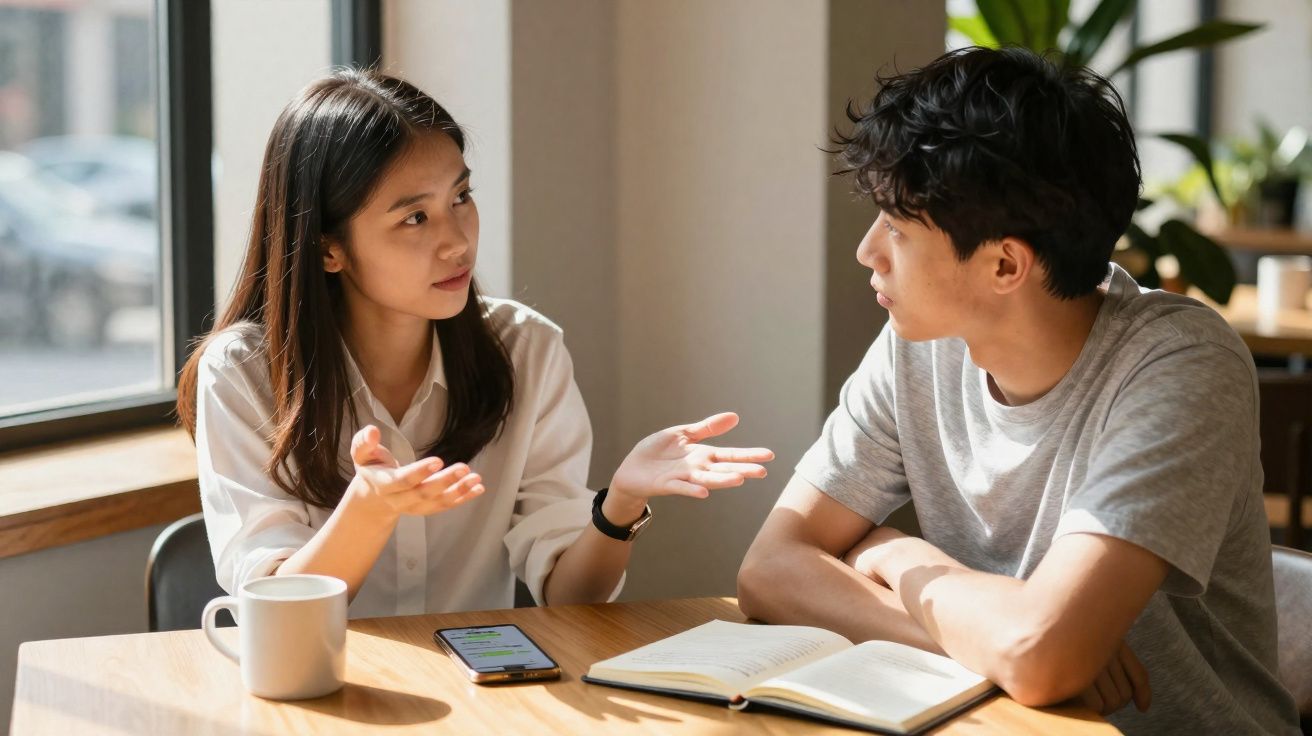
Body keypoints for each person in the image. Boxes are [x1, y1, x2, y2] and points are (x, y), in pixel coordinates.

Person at [736, 47, 1300, 735]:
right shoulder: (920, 347)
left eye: (898, 228)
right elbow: (769, 570)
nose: (867, 251)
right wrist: (999, 647)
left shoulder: (1180, 367)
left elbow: (1039, 655)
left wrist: (893, 553)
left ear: (1006, 263)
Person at [176, 69, 774, 618]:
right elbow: (277, 607)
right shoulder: (244, 372)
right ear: (328, 247)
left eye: (460, 198)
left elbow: (572, 598)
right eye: (415, 218)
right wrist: (370, 510)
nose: (458, 241)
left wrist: (619, 503)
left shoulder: (527, 350)